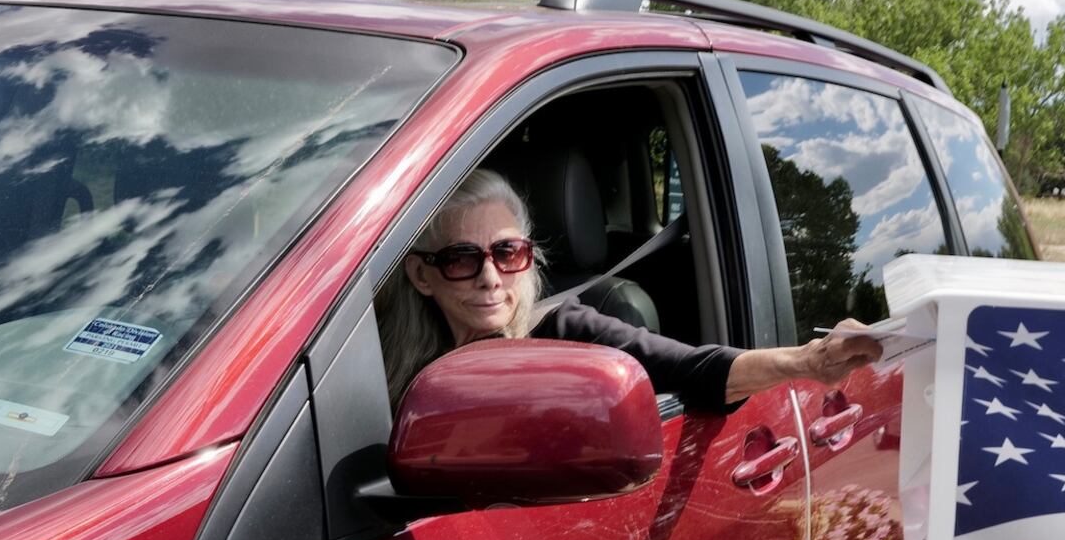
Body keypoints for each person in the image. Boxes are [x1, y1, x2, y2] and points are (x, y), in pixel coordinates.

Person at [377, 169, 883, 411]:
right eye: (463, 259)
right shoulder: (364, 359)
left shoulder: (564, 329)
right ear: (422, 274)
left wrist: (808, 360)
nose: (491, 277)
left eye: (508, 253)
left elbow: (693, 367)